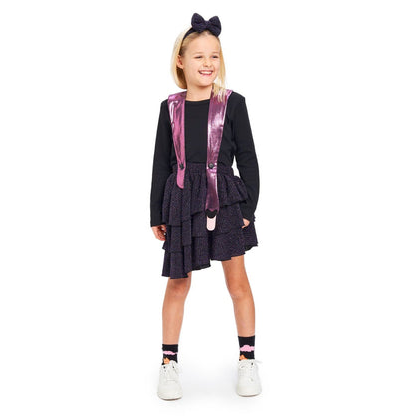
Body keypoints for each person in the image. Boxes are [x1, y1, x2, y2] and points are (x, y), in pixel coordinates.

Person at [149, 12, 261, 400]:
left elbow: (248, 159)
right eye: (199, 56)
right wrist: (156, 213)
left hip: (225, 199)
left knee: (237, 282)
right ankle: (168, 363)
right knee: (178, 282)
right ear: (181, 61)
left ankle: (247, 359)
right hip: (182, 201)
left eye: (214, 55)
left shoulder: (233, 103)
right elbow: (161, 163)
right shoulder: (170, 108)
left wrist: (248, 209)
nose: (208, 63)